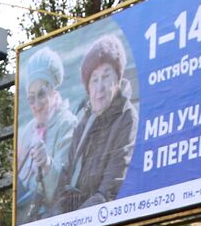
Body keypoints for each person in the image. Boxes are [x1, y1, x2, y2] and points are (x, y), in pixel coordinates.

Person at [56, 33, 139, 213]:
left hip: (97, 218)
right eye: (94, 79)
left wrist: (73, 221)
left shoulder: (127, 117)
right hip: (71, 221)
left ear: (117, 80)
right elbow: (64, 179)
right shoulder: (84, 122)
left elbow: (110, 190)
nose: (99, 87)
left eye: (106, 76)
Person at [15, 46, 77, 222]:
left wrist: (46, 164)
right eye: (30, 98)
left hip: (53, 219)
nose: (36, 104)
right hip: (27, 218)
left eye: (41, 94)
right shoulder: (28, 130)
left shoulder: (67, 123)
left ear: (53, 92)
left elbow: (63, 187)